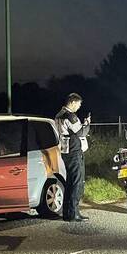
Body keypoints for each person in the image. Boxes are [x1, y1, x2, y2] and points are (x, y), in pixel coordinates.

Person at [55, 93, 90, 222]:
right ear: (73, 102)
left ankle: (67, 213)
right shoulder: (70, 116)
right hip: (74, 152)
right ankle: (74, 213)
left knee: (69, 182)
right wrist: (87, 124)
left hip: (65, 151)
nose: (79, 107)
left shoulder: (59, 114)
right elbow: (81, 132)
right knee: (76, 183)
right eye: (79, 104)